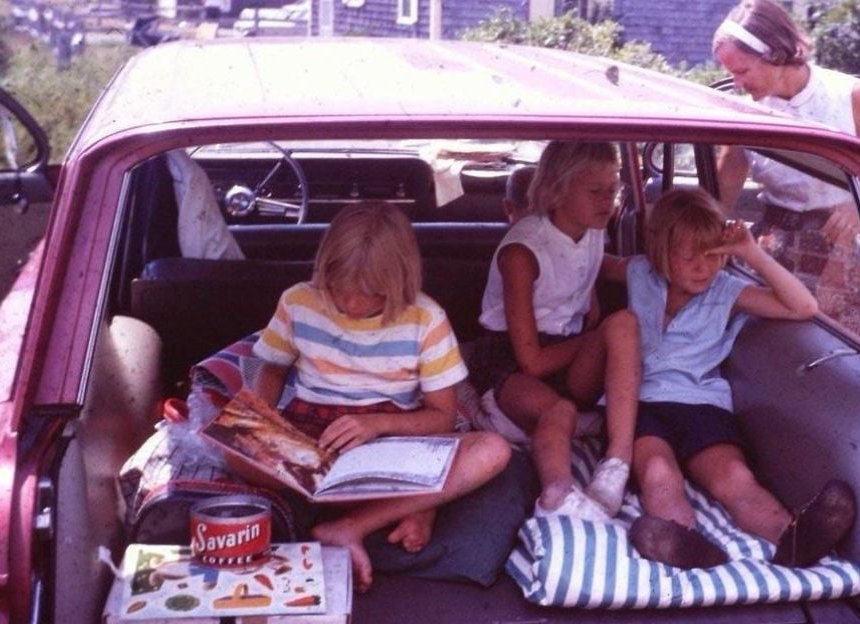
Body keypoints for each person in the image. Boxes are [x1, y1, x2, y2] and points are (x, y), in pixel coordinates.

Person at [250, 202, 512, 593]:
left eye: (370, 295)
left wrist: (377, 425)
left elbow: (442, 417)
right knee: (230, 449)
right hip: (310, 442)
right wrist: (257, 425)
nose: (352, 305)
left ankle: (351, 525)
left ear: (400, 281)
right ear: (324, 270)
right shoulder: (298, 302)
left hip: (392, 445)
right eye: (339, 291)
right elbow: (270, 370)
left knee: (493, 450)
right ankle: (418, 506)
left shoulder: (426, 319)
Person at [601, 189, 857, 569]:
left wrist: (751, 252)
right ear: (659, 250)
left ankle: (794, 536)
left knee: (734, 478)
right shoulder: (639, 271)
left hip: (702, 404)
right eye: (690, 257)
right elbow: (592, 264)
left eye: (715, 256)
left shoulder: (727, 291)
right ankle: (682, 541)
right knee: (658, 473)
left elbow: (804, 307)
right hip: (641, 406)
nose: (704, 268)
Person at [712, 0, 860, 344]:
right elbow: (724, 189)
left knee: (836, 354)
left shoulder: (847, 96)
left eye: (742, 71)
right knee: (767, 349)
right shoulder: (743, 106)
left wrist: (858, 210)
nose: (738, 84)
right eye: (731, 74)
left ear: (773, 53)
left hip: (835, 248)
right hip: (770, 244)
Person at [473, 141, 640, 522]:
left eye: (613, 191)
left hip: (568, 349)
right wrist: (591, 340)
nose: (608, 202)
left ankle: (617, 463)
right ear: (556, 191)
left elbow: (591, 277)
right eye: (595, 191)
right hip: (512, 360)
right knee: (558, 410)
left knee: (626, 323)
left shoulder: (593, 227)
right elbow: (530, 361)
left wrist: (658, 268)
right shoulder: (523, 251)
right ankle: (558, 495)